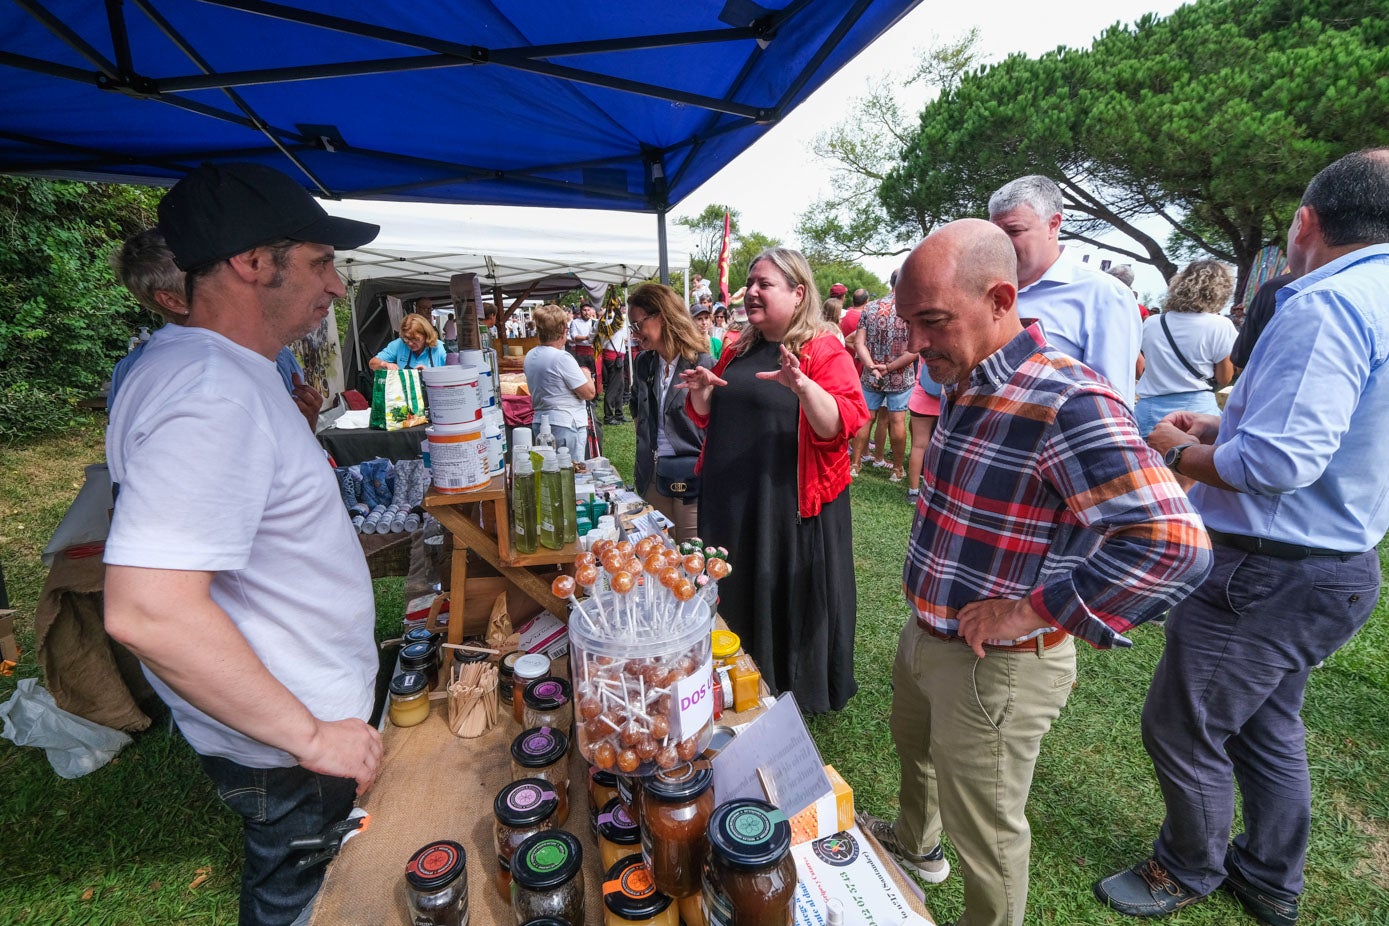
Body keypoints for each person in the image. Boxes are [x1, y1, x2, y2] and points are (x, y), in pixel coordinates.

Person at [862, 219, 1210, 926]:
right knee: (917, 762)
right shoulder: (964, 375)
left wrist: (1029, 610)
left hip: (999, 661)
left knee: (986, 834)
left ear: (998, 299)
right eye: (908, 325)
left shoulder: (1065, 399)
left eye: (931, 322)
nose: (917, 345)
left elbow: (1173, 542)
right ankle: (915, 846)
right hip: (930, 631)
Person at [1094, 148, 1389, 926]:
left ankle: (1186, 864)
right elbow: (1339, 432)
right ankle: (1267, 874)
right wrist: (1223, 424)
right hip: (1332, 563)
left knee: (1181, 722)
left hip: (1269, 567)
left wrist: (1175, 451)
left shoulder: (1328, 304)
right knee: (1265, 718)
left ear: (1306, 222)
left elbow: (1281, 462)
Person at [102, 162, 382, 926]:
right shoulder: (210, 392)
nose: (334, 285)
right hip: (288, 739)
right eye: (321, 261)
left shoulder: (198, 365)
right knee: (302, 898)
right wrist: (312, 735)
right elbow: (148, 612)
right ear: (253, 262)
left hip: (279, 723)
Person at [682, 247, 868, 714]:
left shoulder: (823, 348)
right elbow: (715, 418)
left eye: (765, 283)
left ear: (798, 292)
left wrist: (804, 386)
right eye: (751, 283)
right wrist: (704, 393)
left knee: (774, 585)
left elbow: (843, 424)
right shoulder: (741, 346)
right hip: (730, 500)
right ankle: (735, 672)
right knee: (735, 585)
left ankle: (784, 684)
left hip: (784, 503)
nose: (753, 292)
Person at [109, 228, 323, 432]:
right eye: (214, 279)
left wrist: (305, 425)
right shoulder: (140, 371)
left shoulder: (277, 356)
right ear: (172, 301)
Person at [989, 175, 1142, 403]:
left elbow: (1112, 400)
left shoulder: (1103, 294)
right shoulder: (985, 286)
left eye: (1014, 231)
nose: (1002, 243)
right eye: (996, 233)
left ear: (1053, 225)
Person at [627, 283, 714, 541]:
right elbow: (635, 401)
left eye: (637, 325)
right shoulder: (644, 362)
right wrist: (646, 435)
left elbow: (714, 422)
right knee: (658, 554)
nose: (634, 333)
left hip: (692, 476)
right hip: (651, 475)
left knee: (692, 558)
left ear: (662, 318)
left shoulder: (701, 362)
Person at [1133, 260, 1238, 436]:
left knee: (1147, 462)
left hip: (1150, 408)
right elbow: (1224, 378)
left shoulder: (1152, 322)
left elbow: (1139, 367)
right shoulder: (1221, 325)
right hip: (1197, 410)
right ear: (1221, 291)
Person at [851, 274, 915, 482]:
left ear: (891, 282)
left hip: (871, 374)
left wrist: (871, 366)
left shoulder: (869, 308)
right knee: (897, 421)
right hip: (900, 376)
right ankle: (897, 470)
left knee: (865, 419)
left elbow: (858, 343)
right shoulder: (912, 309)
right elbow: (915, 350)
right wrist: (889, 367)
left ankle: (855, 464)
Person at [525, 302, 597, 460]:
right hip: (565, 423)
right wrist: (585, 372)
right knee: (570, 474)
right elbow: (589, 393)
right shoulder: (561, 358)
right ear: (563, 331)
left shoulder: (531, 355)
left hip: (541, 421)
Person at [1230, 270, 1295, 371]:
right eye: (1236, 310)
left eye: (1240, 310)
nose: (1238, 311)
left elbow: (1242, 358)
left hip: (1271, 374)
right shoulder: (1273, 287)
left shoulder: (1274, 287)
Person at [903, 359, 941, 504]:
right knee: (942, 448)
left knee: (918, 446)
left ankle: (913, 491)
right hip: (946, 399)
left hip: (921, 397)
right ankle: (936, 489)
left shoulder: (925, 341)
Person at [369, 313, 446, 370]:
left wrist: (429, 373)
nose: (410, 343)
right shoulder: (399, 344)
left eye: (416, 339)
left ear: (426, 335)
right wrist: (384, 364)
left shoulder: (440, 348)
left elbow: (454, 372)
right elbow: (372, 363)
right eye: (406, 338)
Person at [598, 300, 631, 425]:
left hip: (616, 355)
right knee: (613, 387)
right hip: (613, 356)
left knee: (620, 385)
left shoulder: (610, 319)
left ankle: (618, 413)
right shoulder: (610, 320)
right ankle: (608, 416)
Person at [569, 302, 598, 377]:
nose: (587, 312)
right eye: (584, 310)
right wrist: (587, 337)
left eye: (588, 310)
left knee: (593, 374)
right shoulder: (575, 322)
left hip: (593, 352)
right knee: (582, 374)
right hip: (580, 352)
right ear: (581, 311)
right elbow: (574, 337)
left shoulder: (595, 322)